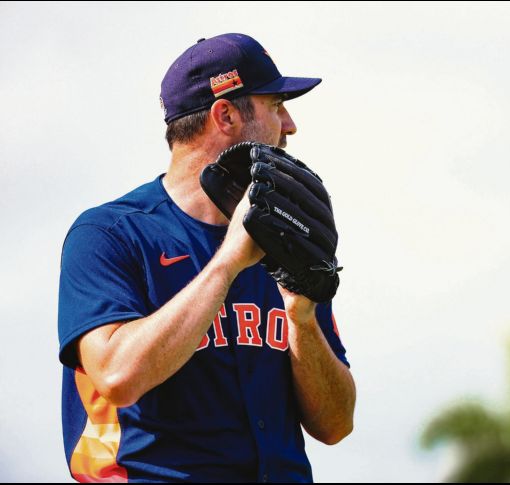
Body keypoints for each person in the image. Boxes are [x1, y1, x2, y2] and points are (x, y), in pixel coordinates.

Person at [57, 33, 356, 483]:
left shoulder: (286, 234)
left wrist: (301, 316)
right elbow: (116, 376)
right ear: (226, 114)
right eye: (275, 105)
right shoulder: (110, 234)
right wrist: (227, 262)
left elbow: (336, 425)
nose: (290, 124)